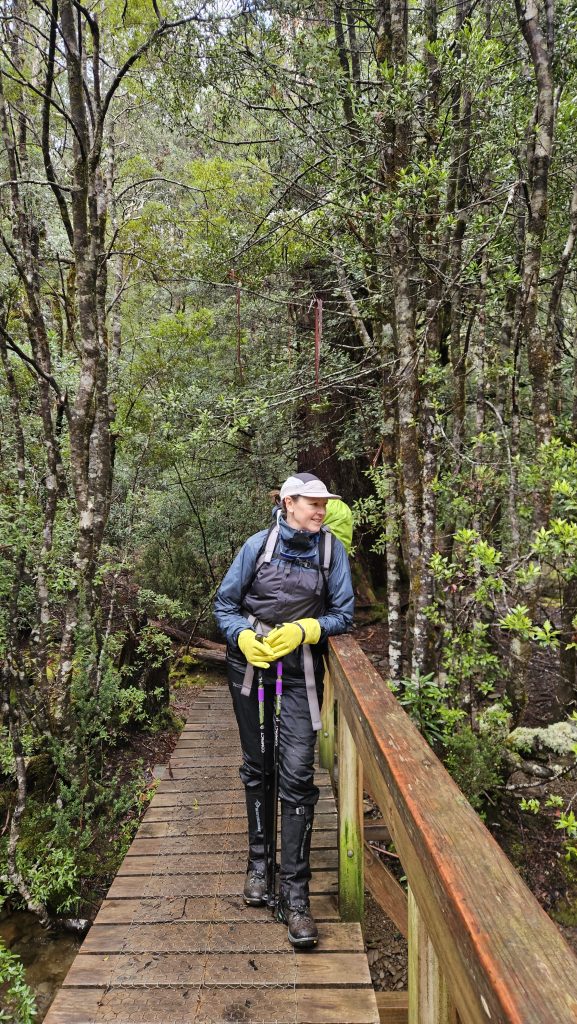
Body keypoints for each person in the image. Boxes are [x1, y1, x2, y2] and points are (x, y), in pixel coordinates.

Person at [214, 472, 354, 947]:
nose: (320, 510)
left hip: (299, 673)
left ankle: (296, 897)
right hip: (250, 667)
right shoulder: (257, 545)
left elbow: (344, 613)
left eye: (324, 504)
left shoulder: (332, 552)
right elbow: (225, 605)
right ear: (289, 503)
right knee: (258, 763)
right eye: (312, 503)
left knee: (296, 774)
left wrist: (307, 629)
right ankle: (258, 865)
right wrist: (243, 637)